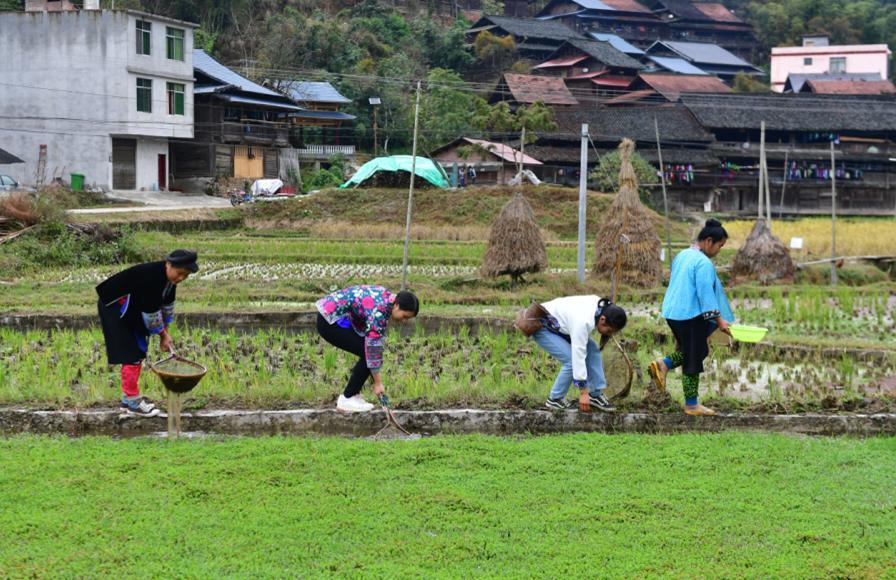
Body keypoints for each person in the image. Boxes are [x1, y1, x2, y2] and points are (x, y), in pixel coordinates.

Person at [96, 250, 199, 416]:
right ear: (168, 264)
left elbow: (167, 307)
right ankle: (131, 401)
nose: (181, 278)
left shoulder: (169, 281)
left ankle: (128, 399)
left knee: (138, 350)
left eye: (185, 276)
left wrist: (166, 333)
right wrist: (163, 336)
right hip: (115, 306)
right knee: (132, 353)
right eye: (179, 273)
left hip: (134, 307)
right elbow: (151, 313)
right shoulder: (152, 278)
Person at [648, 219, 734, 416]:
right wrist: (720, 321)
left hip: (673, 312)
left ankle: (664, 364)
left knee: (694, 350)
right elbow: (706, 295)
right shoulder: (703, 263)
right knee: (694, 356)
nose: (719, 250)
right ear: (709, 241)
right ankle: (691, 404)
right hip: (690, 314)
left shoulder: (684, 254)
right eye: (720, 246)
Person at [316, 285, 419, 412]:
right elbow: (372, 351)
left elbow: (375, 340)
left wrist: (376, 379)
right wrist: (378, 383)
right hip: (330, 322)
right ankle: (347, 398)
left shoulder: (387, 298)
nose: (404, 321)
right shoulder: (379, 311)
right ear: (397, 305)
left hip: (335, 315)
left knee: (369, 352)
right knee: (368, 353)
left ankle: (352, 394)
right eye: (405, 316)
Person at [530, 296, 627, 412]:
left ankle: (595, 395)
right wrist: (583, 392)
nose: (610, 334)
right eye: (610, 331)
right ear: (602, 320)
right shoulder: (583, 321)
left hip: (560, 326)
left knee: (592, 349)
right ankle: (555, 399)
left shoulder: (602, 307)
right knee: (571, 361)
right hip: (541, 325)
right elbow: (578, 356)